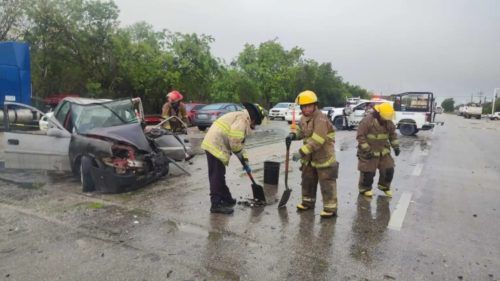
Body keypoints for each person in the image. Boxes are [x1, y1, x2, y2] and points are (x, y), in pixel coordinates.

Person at [201, 102, 263, 214]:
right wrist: (241, 158)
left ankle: (226, 198)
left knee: (220, 174)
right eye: (256, 123)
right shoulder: (243, 120)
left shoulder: (241, 117)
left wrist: (245, 161)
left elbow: (239, 144)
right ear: (253, 118)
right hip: (215, 145)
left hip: (216, 144)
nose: (254, 126)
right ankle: (216, 204)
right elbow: (234, 142)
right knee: (216, 176)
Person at [285, 90, 339, 218]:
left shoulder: (320, 119)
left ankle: (330, 209)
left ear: (315, 105)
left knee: (326, 182)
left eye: (309, 106)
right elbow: (302, 132)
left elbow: (317, 141)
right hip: (309, 157)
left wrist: (300, 152)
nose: (306, 109)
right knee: (307, 180)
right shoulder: (304, 118)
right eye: (304, 107)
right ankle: (307, 203)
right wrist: (293, 135)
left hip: (323, 156)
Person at [356, 102, 400, 197]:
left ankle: (384, 186)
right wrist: (367, 149)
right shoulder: (367, 121)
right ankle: (365, 189)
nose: (387, 119)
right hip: (369, 151)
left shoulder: (388, 122)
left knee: (389, 169)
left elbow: (392, 135)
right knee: (368, 172)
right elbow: (360, 136)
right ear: (378, 113)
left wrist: (396, 146)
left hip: (383, 150)